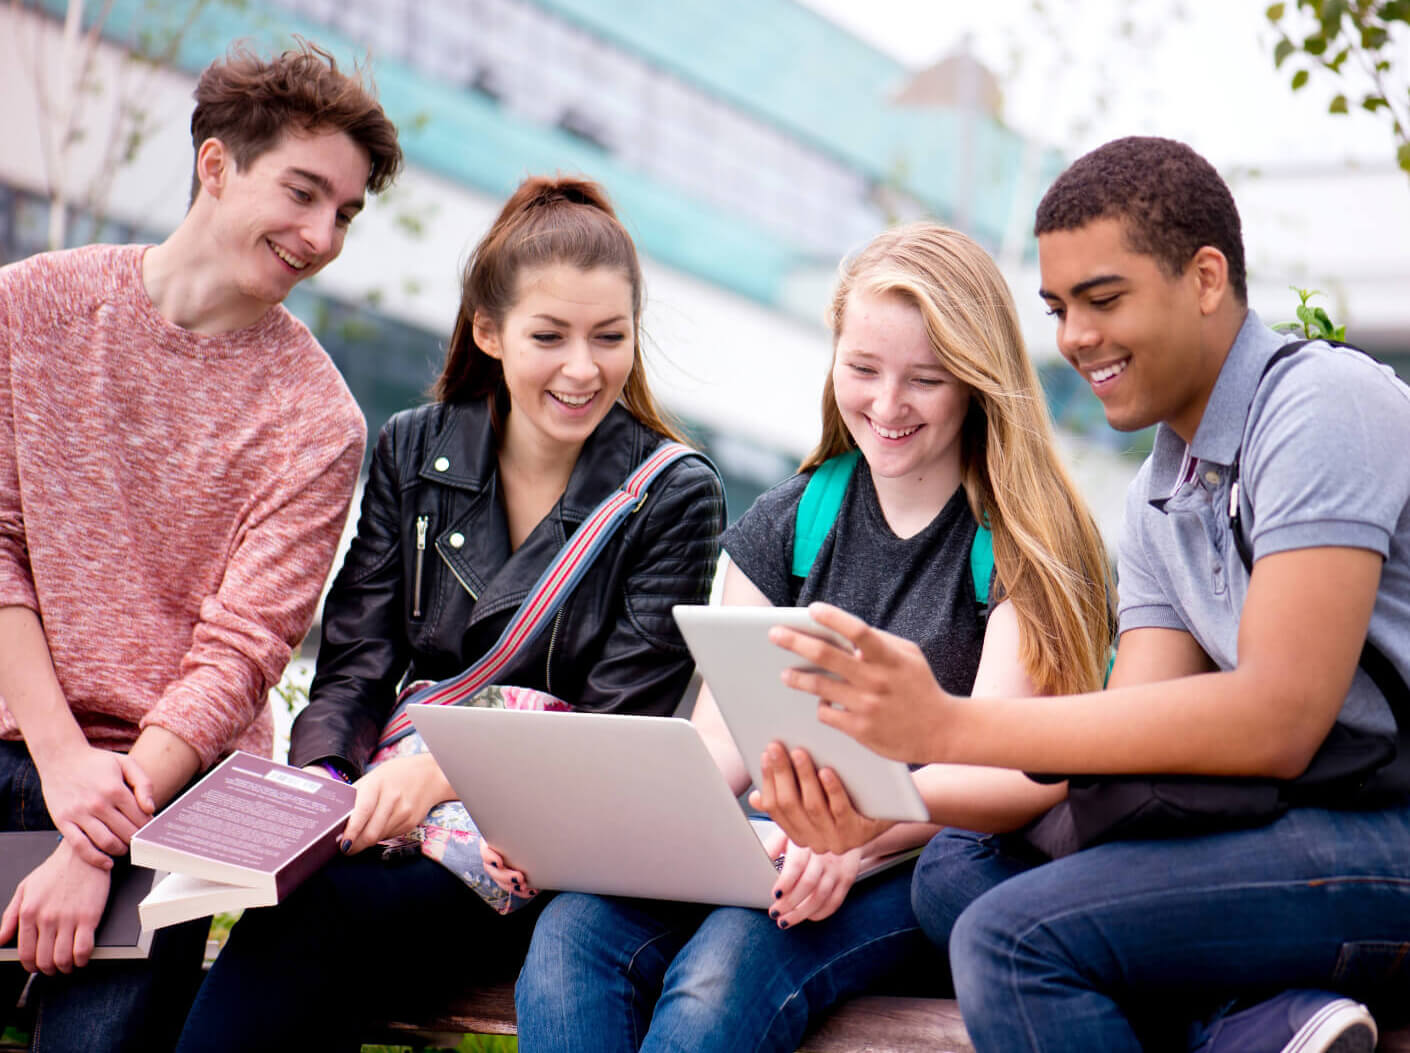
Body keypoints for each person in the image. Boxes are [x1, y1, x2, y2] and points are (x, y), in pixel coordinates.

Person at [774, 137, 1410, 1053]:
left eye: (1103, 299)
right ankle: (1250, 1021)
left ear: (1204, 277)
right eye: (1059, 308)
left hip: (1376, 836)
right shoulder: (1159, 492)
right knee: (955, 871)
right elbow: (1127, 739)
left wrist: (942, 726)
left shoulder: (1320, 407)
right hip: (1271, 826)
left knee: (1011, 939)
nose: (1074, 338)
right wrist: (889, 798)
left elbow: (1281, 715)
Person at [513, 221, 1114, 1053]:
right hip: (776, 839)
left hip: (915, 865)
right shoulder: (794, 518)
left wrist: (859, 832)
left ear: (979, 381)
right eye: (863, 369)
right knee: (572, 938)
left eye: (926, 380)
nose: (887, 404)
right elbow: (722, 736)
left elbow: (1015, 772)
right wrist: (631, 823)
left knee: (722, 976)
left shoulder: (1020, 539)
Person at [172, 175, 726, 1052]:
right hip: (381, 804)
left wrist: (439, 777)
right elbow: (355, 662)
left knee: (316, 924)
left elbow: (619, 728)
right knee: (289, 911)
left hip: (535, 842)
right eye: (550, 336)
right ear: (489, 331)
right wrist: (324, 785)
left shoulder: (672, 494)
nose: (584, 368)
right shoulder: (413, 448)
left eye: (609, 337)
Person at [0, 41, 401, 1053]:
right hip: (23, 745)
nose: (321, 237)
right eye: (303, 194)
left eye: (345, 214)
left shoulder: (320, 422)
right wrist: (60, 768)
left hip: (169, 792)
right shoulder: (31, 309)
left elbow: (241, 656)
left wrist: (97, 841)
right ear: (214, 166)